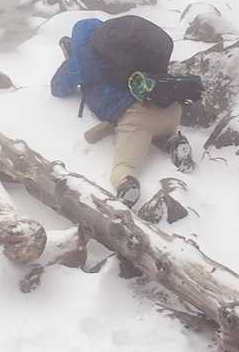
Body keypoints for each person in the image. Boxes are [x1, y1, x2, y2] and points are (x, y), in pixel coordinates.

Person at [51, 16, 199, 208]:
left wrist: (71, 63)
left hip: (136, 119)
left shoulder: (85, 58)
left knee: (124, 167)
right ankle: (174, 141)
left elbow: (58, 88)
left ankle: (126, 185)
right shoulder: (129, 51)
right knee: (158, 132)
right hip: (169, 103)